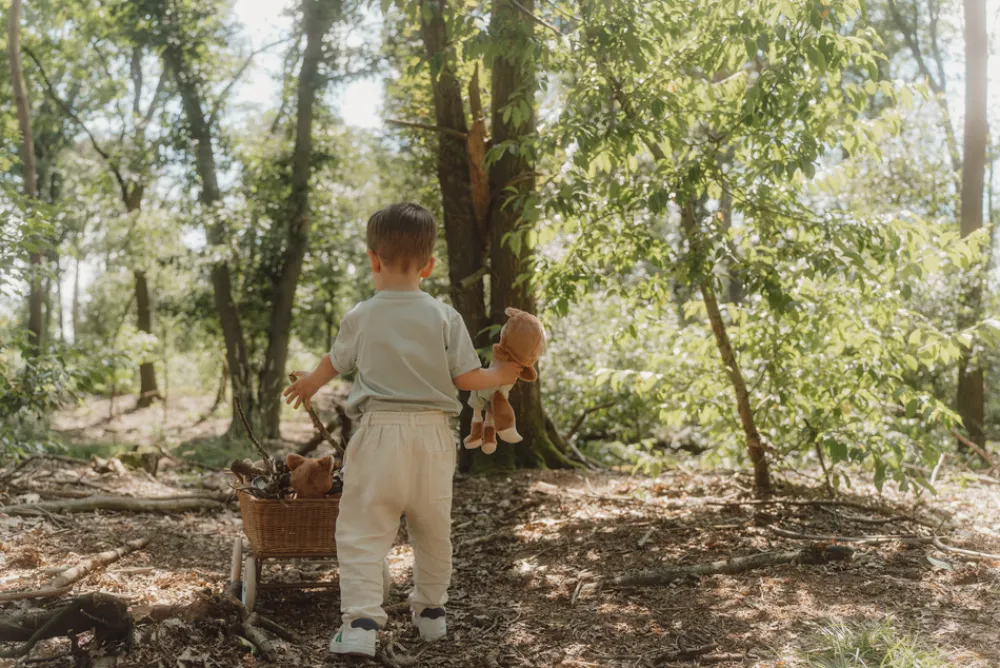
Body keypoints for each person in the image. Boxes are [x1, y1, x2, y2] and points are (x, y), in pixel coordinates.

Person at [283, 202, 523, 657]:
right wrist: (502, 374)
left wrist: (311, 383)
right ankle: (431, 613)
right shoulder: (444, 316)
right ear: (429, 266)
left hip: (378, 435)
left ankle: (360, 624)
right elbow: (467, 379)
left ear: (373, 259)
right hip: (433, 438)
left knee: (362, 529)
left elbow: (336, 361)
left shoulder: (362, 314)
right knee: (432, 529)